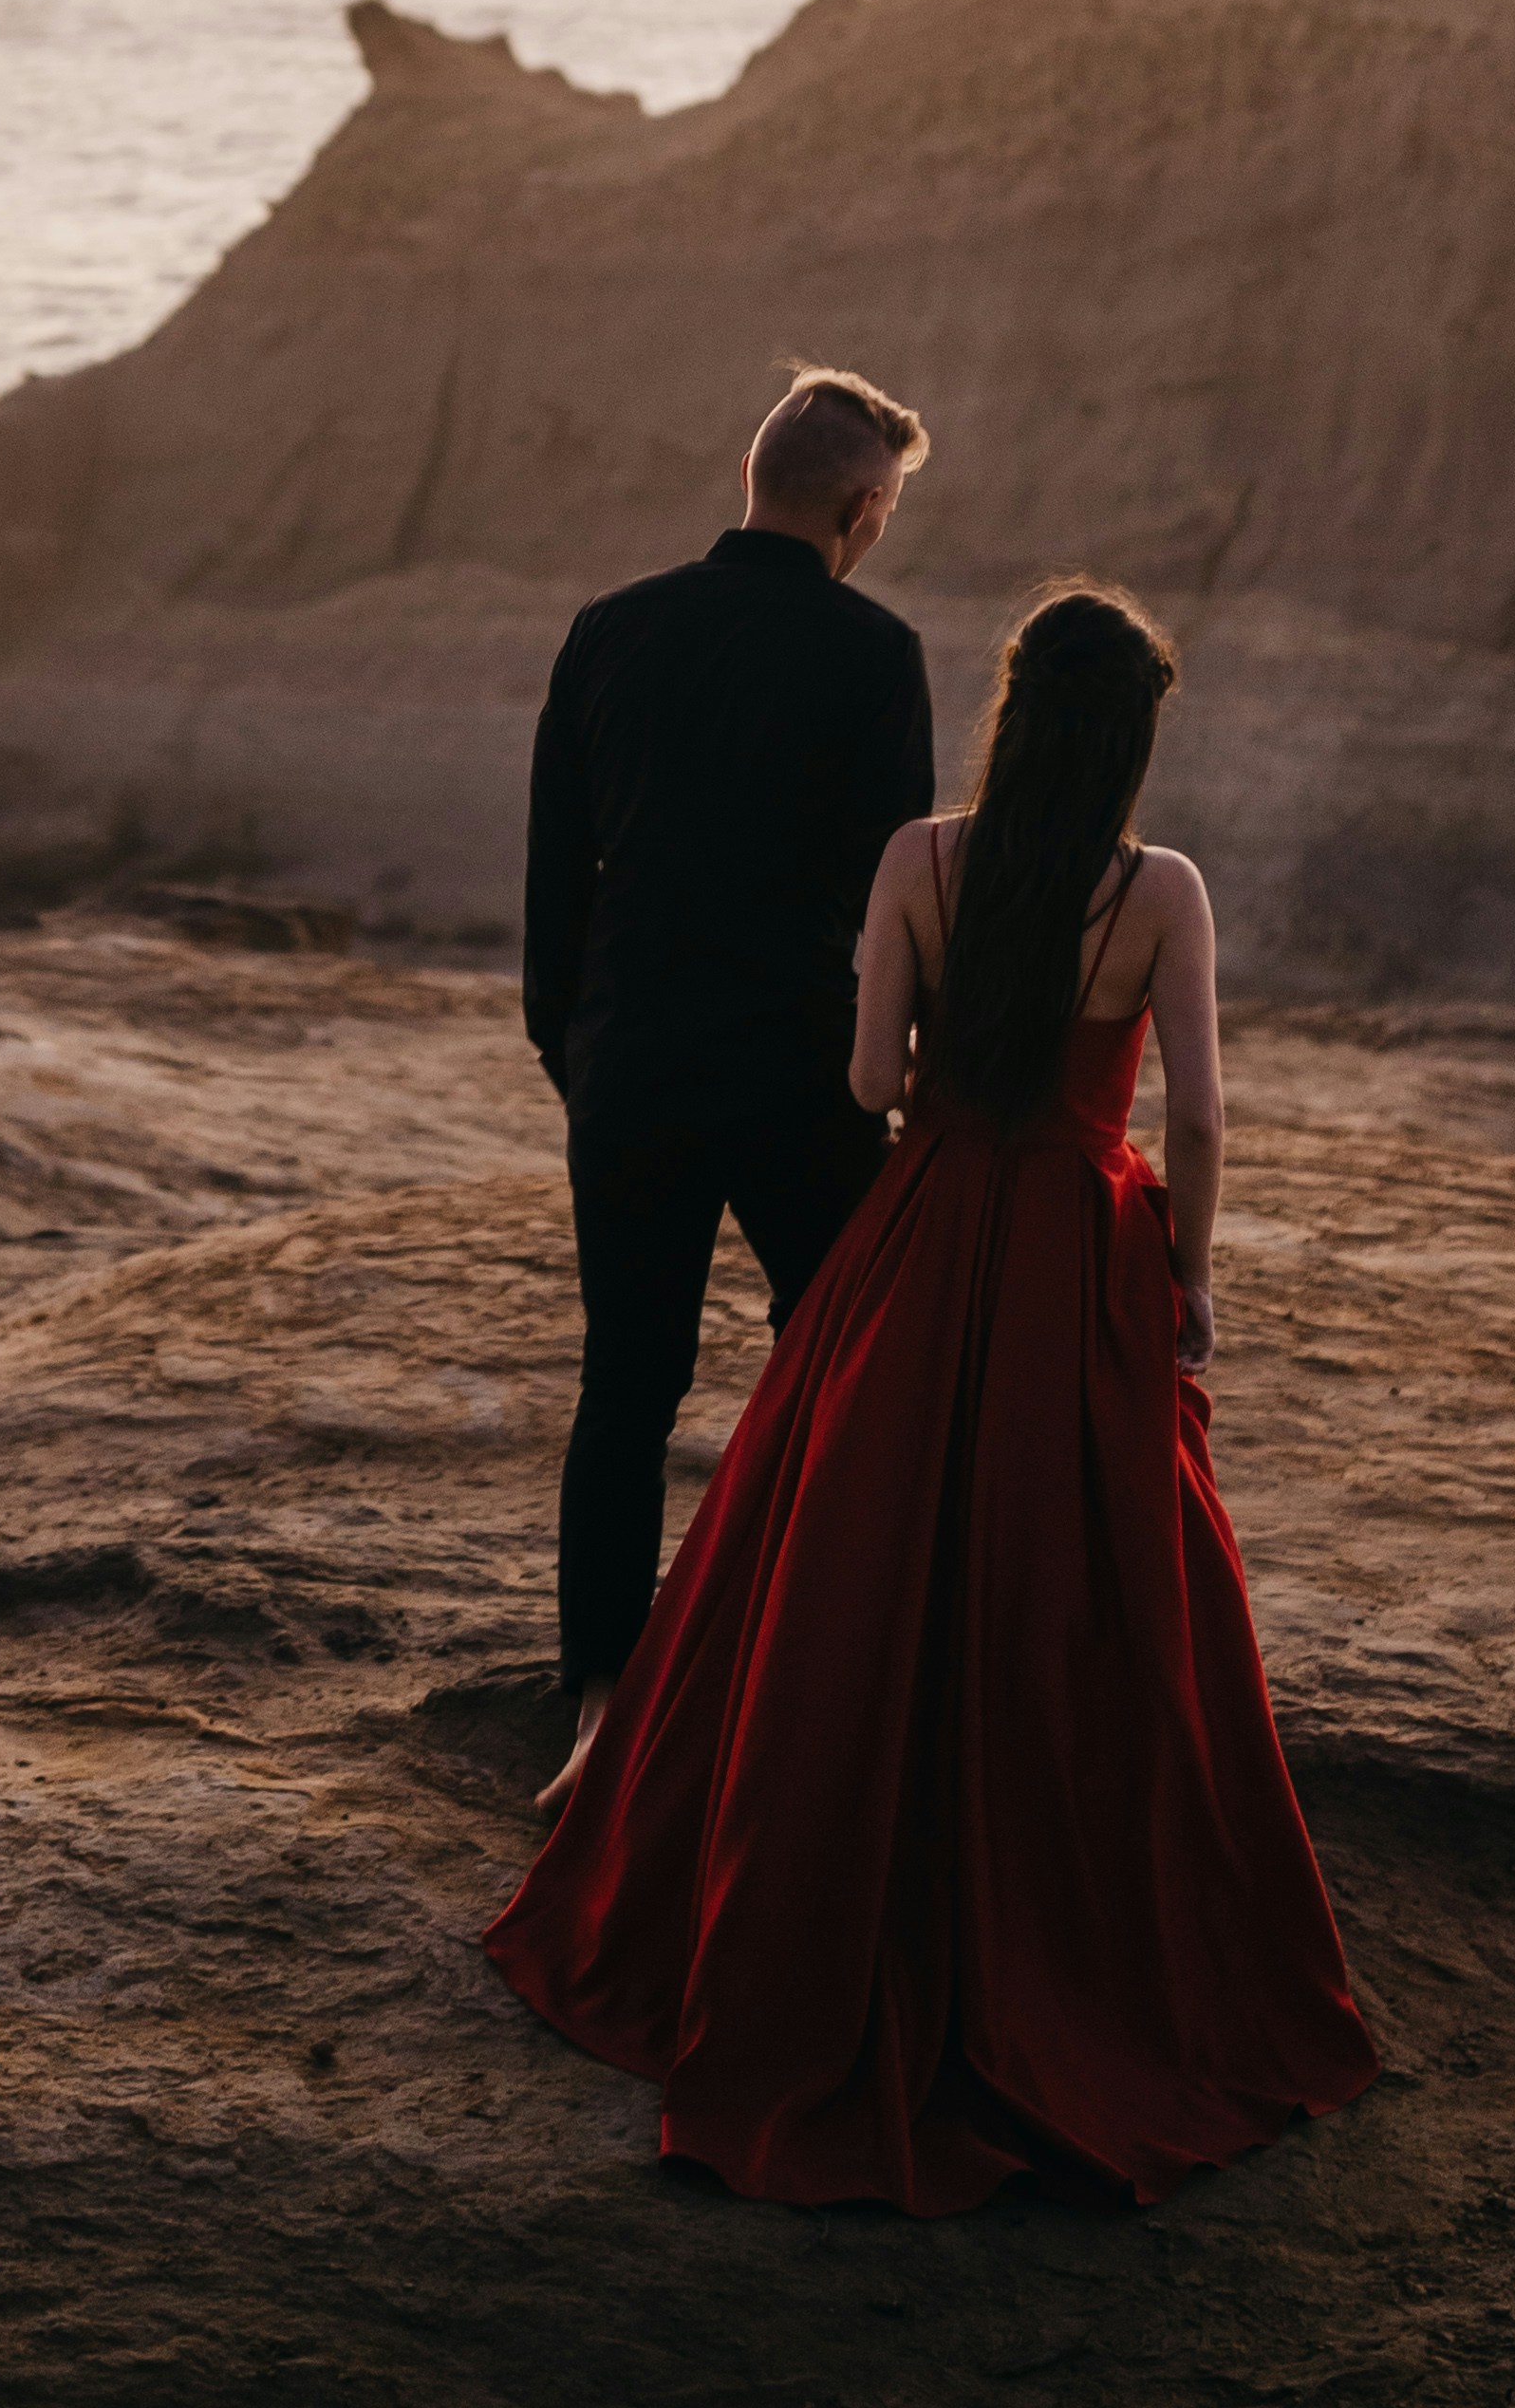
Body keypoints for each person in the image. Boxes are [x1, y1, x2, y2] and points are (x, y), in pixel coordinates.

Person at [489, 578, 1379, 2212]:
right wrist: (1184, 1273)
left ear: (1012, 714)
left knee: (848, 1543)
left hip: (929, 1216)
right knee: (1086, 1561)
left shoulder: (921, 859)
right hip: (1079, 1243)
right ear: (1127, 741)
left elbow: (864, 1081)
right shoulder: (1160, 890)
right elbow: (1193, 1120)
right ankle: (1064, 1914)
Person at [522, 363, 936, 1815]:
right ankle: (794, 1675)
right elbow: (895, 898)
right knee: (845, 1363)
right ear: (862, 507)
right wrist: (893, 1081)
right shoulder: (874, 655)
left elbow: (552, 882)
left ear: (751, 477)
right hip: (799, 1077)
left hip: (627, 1060)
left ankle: (600, 1712)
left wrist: (574, 1048)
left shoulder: (608, 630)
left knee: (622, 1386)